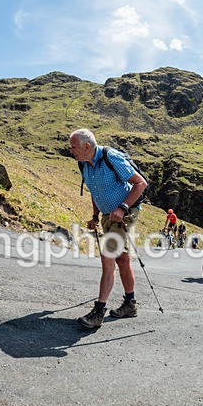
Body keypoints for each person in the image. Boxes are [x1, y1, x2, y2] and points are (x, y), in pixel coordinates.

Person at [70, 128, 148, 329]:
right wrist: (95, 216)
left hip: (125, 213)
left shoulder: (110, 157)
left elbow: (140, 183)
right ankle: (130, 304)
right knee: (121, 259)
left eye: (74, 147)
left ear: (87, 146)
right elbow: (95, 190)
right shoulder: (83, 163)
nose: (71, 151)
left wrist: (123, 208)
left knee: (108, 256)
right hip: (107, 216)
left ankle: (98, 312)